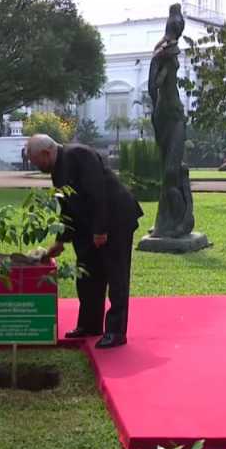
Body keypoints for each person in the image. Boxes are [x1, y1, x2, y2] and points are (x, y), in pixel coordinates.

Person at [25, 134, 143, 348]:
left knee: (115, 274)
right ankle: (90, 324)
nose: (34, 165)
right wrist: (60, 241)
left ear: (45, 152)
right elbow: (67, 208)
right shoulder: (56, 171)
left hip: (114, 220)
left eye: (34, 160)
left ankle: (116, 332)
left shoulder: (80, 154)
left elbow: (98, 193)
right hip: (89, 226)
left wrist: (100, 230)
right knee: (87, 273)